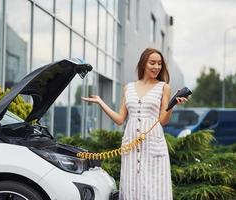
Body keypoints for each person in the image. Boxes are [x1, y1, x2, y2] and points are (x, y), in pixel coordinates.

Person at [81, 48, 188, 200]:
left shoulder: (164, 87)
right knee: (132, 185)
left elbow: (163, 120)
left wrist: (172, 105)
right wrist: (100, 102)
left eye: (159, 64)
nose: (156, 67)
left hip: (153, 142)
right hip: (130, 141)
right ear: (144, 63)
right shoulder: (128, 87)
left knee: (155, 186)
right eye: (152, 63)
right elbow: (119, 119)